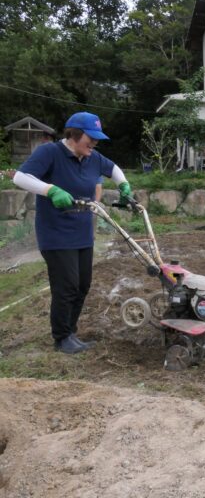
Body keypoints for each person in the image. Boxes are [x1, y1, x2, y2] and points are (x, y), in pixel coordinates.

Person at [12, 112, 133, 354]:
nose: (95, 143)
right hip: (55, 235)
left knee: (82, 285)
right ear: (75, 135)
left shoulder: (92, 157)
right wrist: (51, 190)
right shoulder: (50, 153)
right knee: (66, 286)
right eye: (91, 138)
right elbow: (19, 177)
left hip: (82, 233)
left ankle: (71, 331)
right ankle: (61, 337)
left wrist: (124, 185)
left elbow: (113, 168)